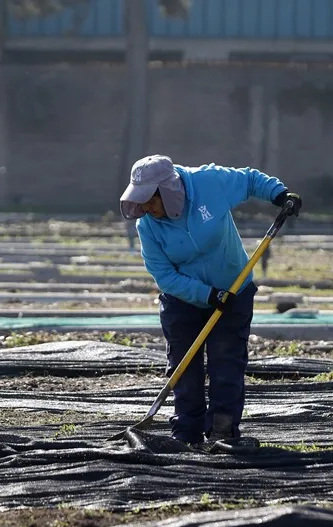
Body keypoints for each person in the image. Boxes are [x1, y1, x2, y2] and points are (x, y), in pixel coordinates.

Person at [119, 155, 302, 445]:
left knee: (226, 364)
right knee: (185, 369)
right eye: (139, 202)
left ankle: (222, 430)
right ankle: (186, 434)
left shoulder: (208, 182)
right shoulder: (148, 226)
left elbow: (250, 180)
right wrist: (206, 295)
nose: (145, 208)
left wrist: (279, 194)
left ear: (169, 191)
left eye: (150, 200)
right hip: (183, 300)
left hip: (233, 290)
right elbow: (164, 275)